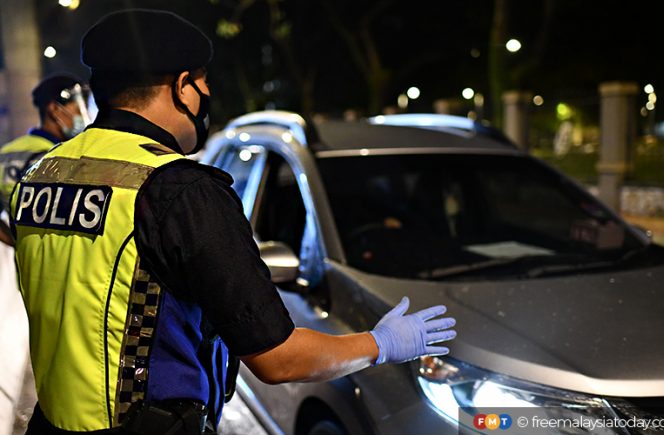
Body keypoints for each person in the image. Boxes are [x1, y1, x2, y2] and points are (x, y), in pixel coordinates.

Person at [10, 9, 456, 435]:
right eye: (204, 83)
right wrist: (384, 343)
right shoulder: (179, 189)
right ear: (182, 86)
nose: (207, 96)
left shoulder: (42, 173)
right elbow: (278, 358)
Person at [0, 73, 91, 246]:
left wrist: (15, 241)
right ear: (55, 109)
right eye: (78, 110)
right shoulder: (59, 156)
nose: (82, 117)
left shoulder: (7, 151)